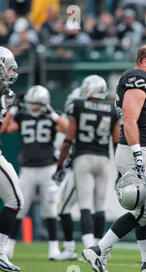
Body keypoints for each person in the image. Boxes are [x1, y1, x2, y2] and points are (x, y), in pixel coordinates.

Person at [82, 43, 146, 272]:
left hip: (142, 149)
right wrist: (137, 153)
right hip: (139, 150)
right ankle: (99, 248)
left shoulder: (139, 78)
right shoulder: (137, 78)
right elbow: (130, 118)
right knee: (143, 210)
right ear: (144, 61)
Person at [1, 85, 68, 260]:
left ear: (45, 103)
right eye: (31, 103)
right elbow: (4, 128)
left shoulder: (52, 116)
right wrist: (14, 109)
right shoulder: (23, 116)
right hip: (28, 168)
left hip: (48, 168)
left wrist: (51, 112)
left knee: (50, 209)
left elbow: (68, 129)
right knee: (19, 208)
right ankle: (9, 247)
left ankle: (53, 249)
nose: (34, 107)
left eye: (37, 104)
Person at [54, 75, 119, 253]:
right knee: (100, 205)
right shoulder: (112, 108)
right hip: (103, 159)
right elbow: (115, 142)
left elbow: (69, 139)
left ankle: (90, 247)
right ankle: (99, 248)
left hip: (83, 158)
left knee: (85, 205)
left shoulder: (78, 105)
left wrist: (60, 165)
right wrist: (120, 167)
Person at [0, 46, 24, 272]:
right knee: (15, 199)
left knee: (15, 200)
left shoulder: (5, 93)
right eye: (8, 68)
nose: (11, 73)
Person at [51, 87, 82, 261]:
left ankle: (73, 247)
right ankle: (95, 247)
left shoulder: (75, 119)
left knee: (64, 207)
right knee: (91, 208)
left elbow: (66, 144)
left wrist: (61, 164)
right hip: (92, 165)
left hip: (77, 166)